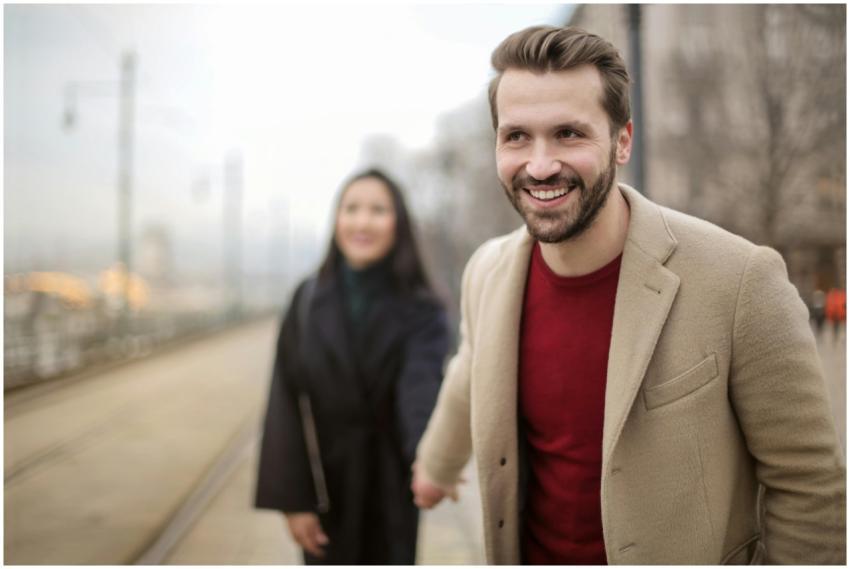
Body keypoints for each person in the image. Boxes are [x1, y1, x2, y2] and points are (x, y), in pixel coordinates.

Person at [411, 25, 845, 565]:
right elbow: (471, 371)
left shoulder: (741, 279)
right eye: (516, 136)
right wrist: (434, 466)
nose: (540, 165)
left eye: (569, 133)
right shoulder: (486, 271)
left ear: (622, 141)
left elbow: (809, 488)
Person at [256, 168, 449, 564]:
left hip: (392, 487)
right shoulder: (307, 299)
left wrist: (431, 459)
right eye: (351, 209)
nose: (362, 222)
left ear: (398, 223)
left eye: (378, 210)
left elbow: (420, 390)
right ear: (336, 220)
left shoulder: (423, 308)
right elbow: (285, 401)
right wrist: (294, 500)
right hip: (326, 489)